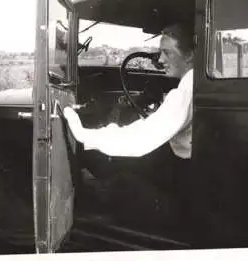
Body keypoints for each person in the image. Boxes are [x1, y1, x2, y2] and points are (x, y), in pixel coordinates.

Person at [62, 23, 195, 229]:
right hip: (186, 171)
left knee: (121, 183)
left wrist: (84, 135)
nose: (160, 60)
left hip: (185, 185)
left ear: (188, 56)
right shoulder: (191, 86)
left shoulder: (185, 93)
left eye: (167, 53)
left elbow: (139, 140)